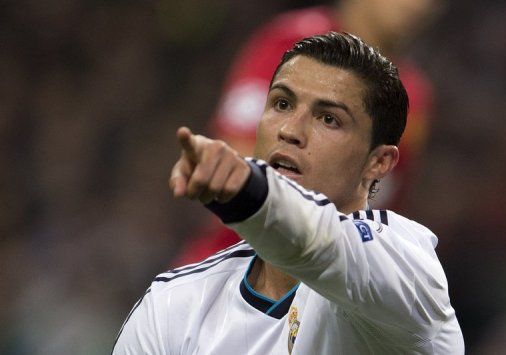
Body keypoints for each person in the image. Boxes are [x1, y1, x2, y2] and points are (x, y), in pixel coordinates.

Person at [113, 32, 464, 353]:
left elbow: (323, 244)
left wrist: (247, 189)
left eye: (329, 119)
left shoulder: (406, 273)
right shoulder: (174, 306)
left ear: (379, 163)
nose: (290, 131)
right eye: (282, 104)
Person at [173, 0, 443, 266]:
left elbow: (382, 209)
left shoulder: (414, 99)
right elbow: (237, 154)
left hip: (328, 287)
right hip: (234, 265)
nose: (419, 6)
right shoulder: (291, 40)